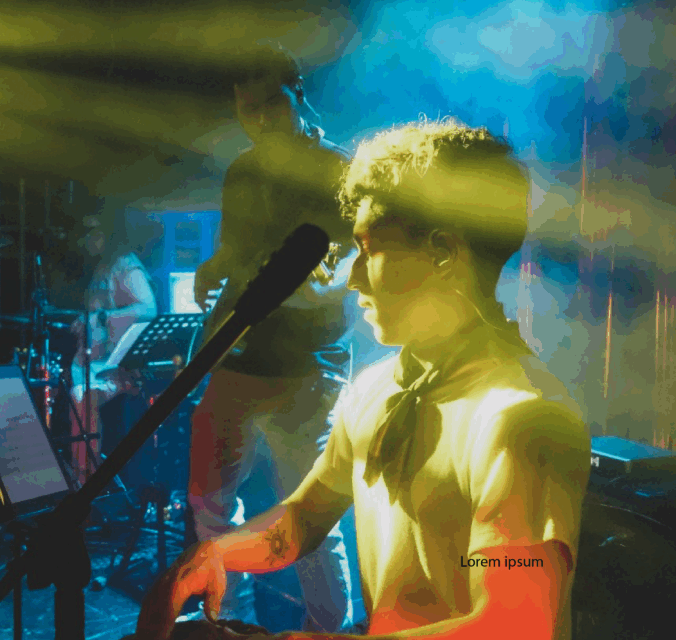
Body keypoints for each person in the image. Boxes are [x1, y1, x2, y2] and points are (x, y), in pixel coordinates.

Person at [135, 119, 591, 640]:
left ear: (443, 252)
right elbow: (303, 518)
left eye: (369, 249)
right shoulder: (377, 388)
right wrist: (215, 552)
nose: (352, 278)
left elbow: (516, 624)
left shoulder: (521, 420)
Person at [188, 41, 365, 631]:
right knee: (209, 508)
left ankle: (327, 633)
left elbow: (345, 270)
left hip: (306, 368)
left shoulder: (337, 170)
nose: (259, 118)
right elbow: (234, 253)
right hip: (237, 359)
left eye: (271, 103)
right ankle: (226, 625)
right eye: (248, 108)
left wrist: (294, 288)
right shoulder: (242, 171)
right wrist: (213, 270)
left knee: (307, 520)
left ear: (298, 93)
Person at [66, 212, 157, 484]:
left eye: (93, 233)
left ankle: (87, 480)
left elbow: (147, 309)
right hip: (95, 366)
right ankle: (78, 472)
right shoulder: (101, 268)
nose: (86, 240)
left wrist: (101, 318)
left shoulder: (125, 265)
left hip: (120, 368)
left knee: (83, 397)